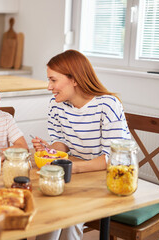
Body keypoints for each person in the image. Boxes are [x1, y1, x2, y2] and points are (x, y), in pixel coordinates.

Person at [33, 49, 131, 240]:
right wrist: (51, 151)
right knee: (47, 212)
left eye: (53, 80)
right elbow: (62, 142)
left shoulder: (108, 105)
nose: (48, 87)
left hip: (109, 178)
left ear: (74, 79)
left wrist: (71, 168)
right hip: (77, 173)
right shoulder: (56, 104)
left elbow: (112, 160)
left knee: (69, 217)